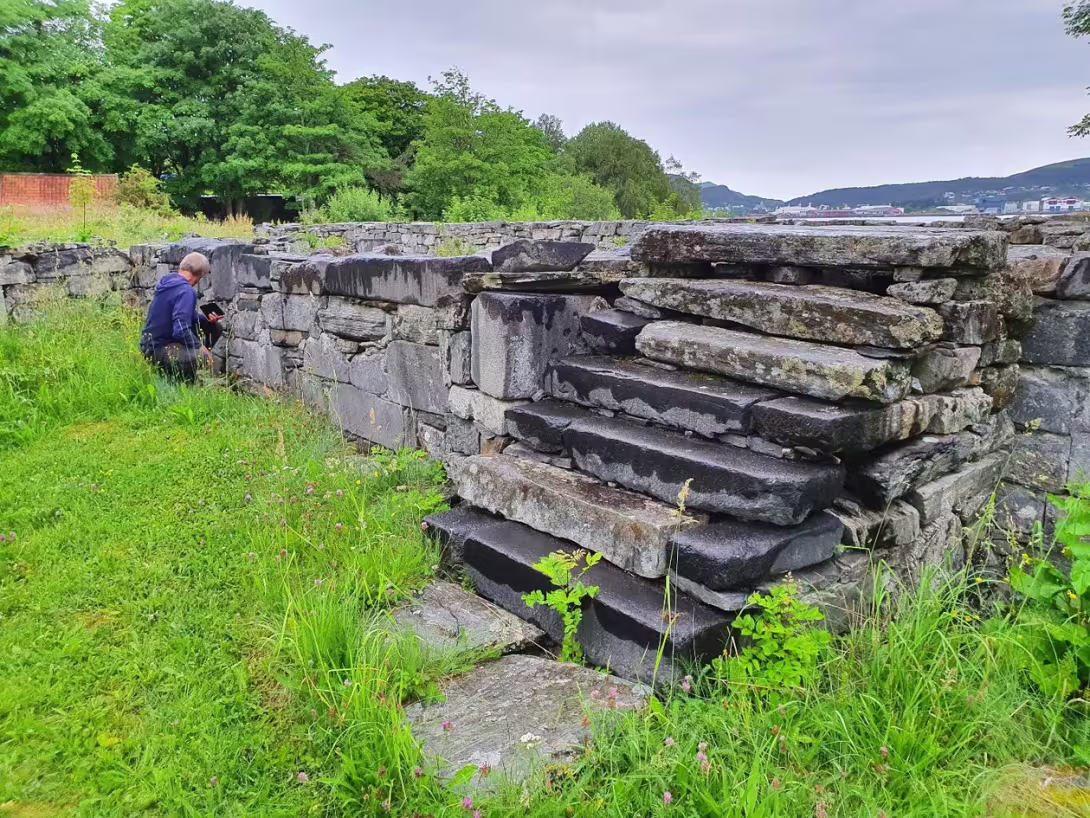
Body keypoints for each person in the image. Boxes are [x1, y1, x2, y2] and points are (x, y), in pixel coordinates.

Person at [139, 252, 224, 382]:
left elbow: (182, 315)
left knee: (214, 327)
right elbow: (180, 329)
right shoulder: (186, 291)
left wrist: (206, 319)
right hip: (159, 349)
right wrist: (200, 348)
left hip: (149, 345)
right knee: (203, 356)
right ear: (201, 275)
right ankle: (184, 381)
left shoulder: (169, 281)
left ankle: (189, 370)